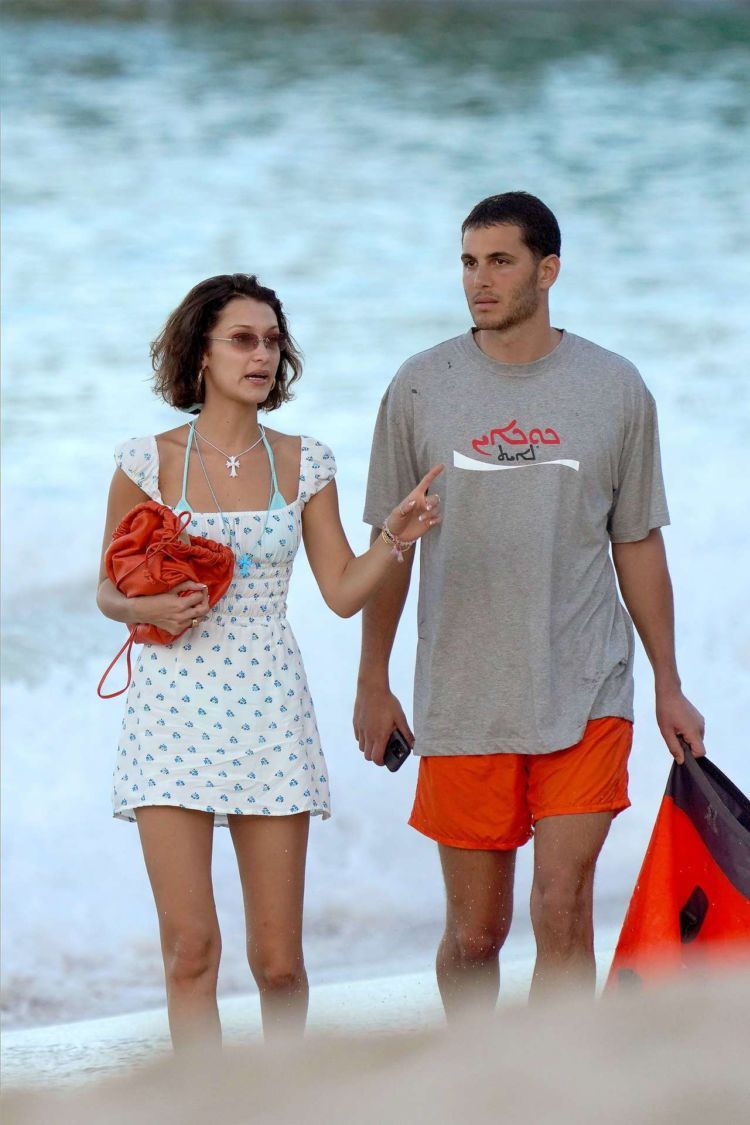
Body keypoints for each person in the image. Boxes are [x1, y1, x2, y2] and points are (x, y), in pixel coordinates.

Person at [354, 192, 706, 1018]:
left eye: (500, 261)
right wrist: (374, 680)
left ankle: (558, 1090)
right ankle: (482, 1082)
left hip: (587, 685)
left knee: (562, 904)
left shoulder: (615, 388)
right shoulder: (418, 387)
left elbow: (638, 542)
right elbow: (389, 545)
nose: (480, 280)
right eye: (469, 263)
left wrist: (667, 681)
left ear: (548, 270)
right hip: (464, 694)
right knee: (477, 934)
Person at [96, 273, 442, 1048]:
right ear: (201, 353)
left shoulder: (303, 460)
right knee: (192, 951)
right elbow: (107, 592)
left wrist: (395, 534)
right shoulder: (143, 461)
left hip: (268, 711)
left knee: (279, 963)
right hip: (170, 713)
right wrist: (148, 608)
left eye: (272, 340)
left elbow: (343, 592)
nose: (262, 355)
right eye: (243, 340)